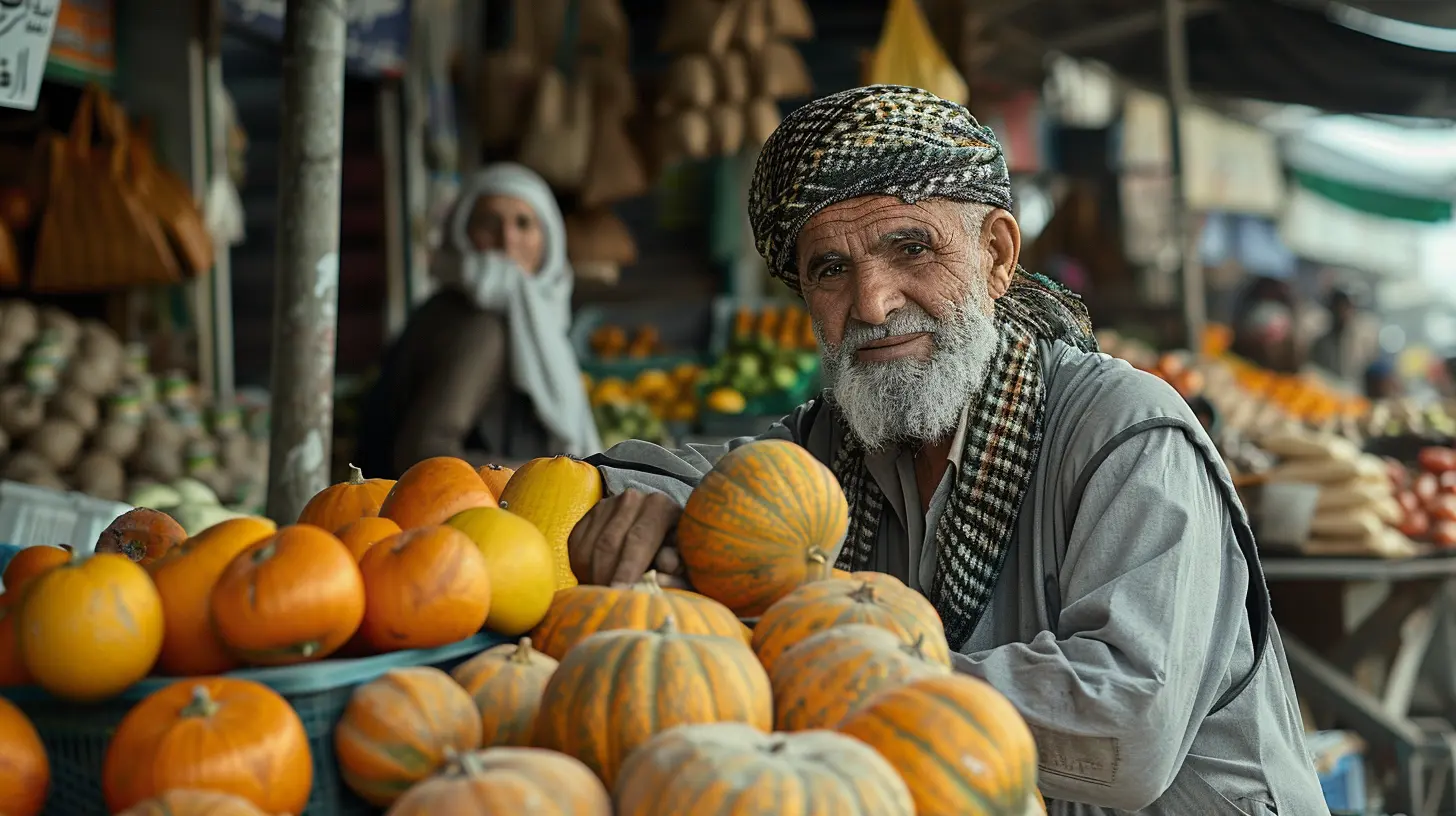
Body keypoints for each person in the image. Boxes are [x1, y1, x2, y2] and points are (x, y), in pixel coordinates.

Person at [570, 86, 1325, 814]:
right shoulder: (836, 443)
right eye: (830, 270)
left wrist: (821, 674)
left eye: (909, 248)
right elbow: (703, 480)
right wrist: (652, 509)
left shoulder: (1126, 433)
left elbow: (1126, 726)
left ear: (996, 254)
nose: (872, 303)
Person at [356, 163, 601, 478]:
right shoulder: (480, 324)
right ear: (462, 233)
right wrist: (543, 477)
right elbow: (423, 453)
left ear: (548, 239)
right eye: (489, 222)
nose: (507, 240)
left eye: (523, 224)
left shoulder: (527, 316)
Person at [1310, 288, 1371, 385]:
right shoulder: (1320, 344)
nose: (1342, 313)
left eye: (1346, 308)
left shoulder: (1362, 342)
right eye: (1338, 308)